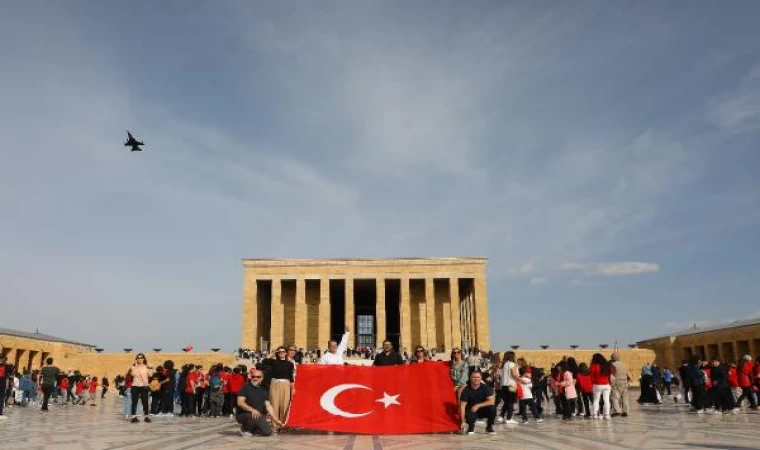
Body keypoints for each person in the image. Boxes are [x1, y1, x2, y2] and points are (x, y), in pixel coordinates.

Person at [236, 369, 282, 437]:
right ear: (251, 377)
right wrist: (252, 410)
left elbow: (268, 405)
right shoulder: (245, 388)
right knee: (252, 415)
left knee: (267, 432)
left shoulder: (264, 389)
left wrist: (275, 419)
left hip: (258, 415)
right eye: (253, 376)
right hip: (244, 414)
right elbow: (240, 402)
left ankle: (254, 428)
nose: (255, 378)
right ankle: (245, 429)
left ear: (262, 378)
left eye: (258, 377)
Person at [127, 353, 153, 423]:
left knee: (145, 402)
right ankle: (133, 417)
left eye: (141, 358)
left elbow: (150, 375)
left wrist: (150, 368)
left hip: (144, 386)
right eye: (138, 358)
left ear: (143, 359)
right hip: (135, 386)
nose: (140, 359)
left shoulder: (146, 367)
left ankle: (146, 417)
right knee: (134, 402)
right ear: (136, 359)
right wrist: (135, 365)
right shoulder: (133, 367)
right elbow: (133, 374)